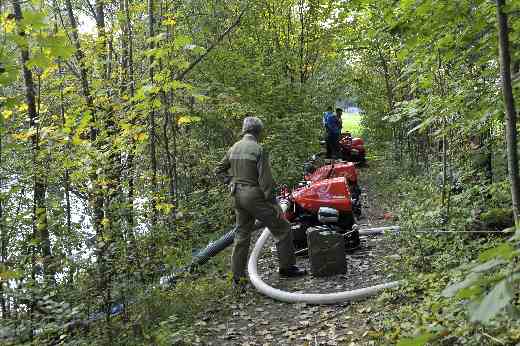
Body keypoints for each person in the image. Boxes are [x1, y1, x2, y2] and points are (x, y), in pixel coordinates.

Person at [215, 116, 307, 291]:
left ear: (244, 130)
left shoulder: (234, 147)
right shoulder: (258, 149)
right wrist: (275, 204)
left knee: (242, 234)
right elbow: (266, 181)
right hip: (254, 196)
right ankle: (287, 268)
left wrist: (230, 181)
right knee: (283, 228)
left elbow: (219, 170)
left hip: (237, 196)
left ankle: (238, 279)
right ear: (258, 131)